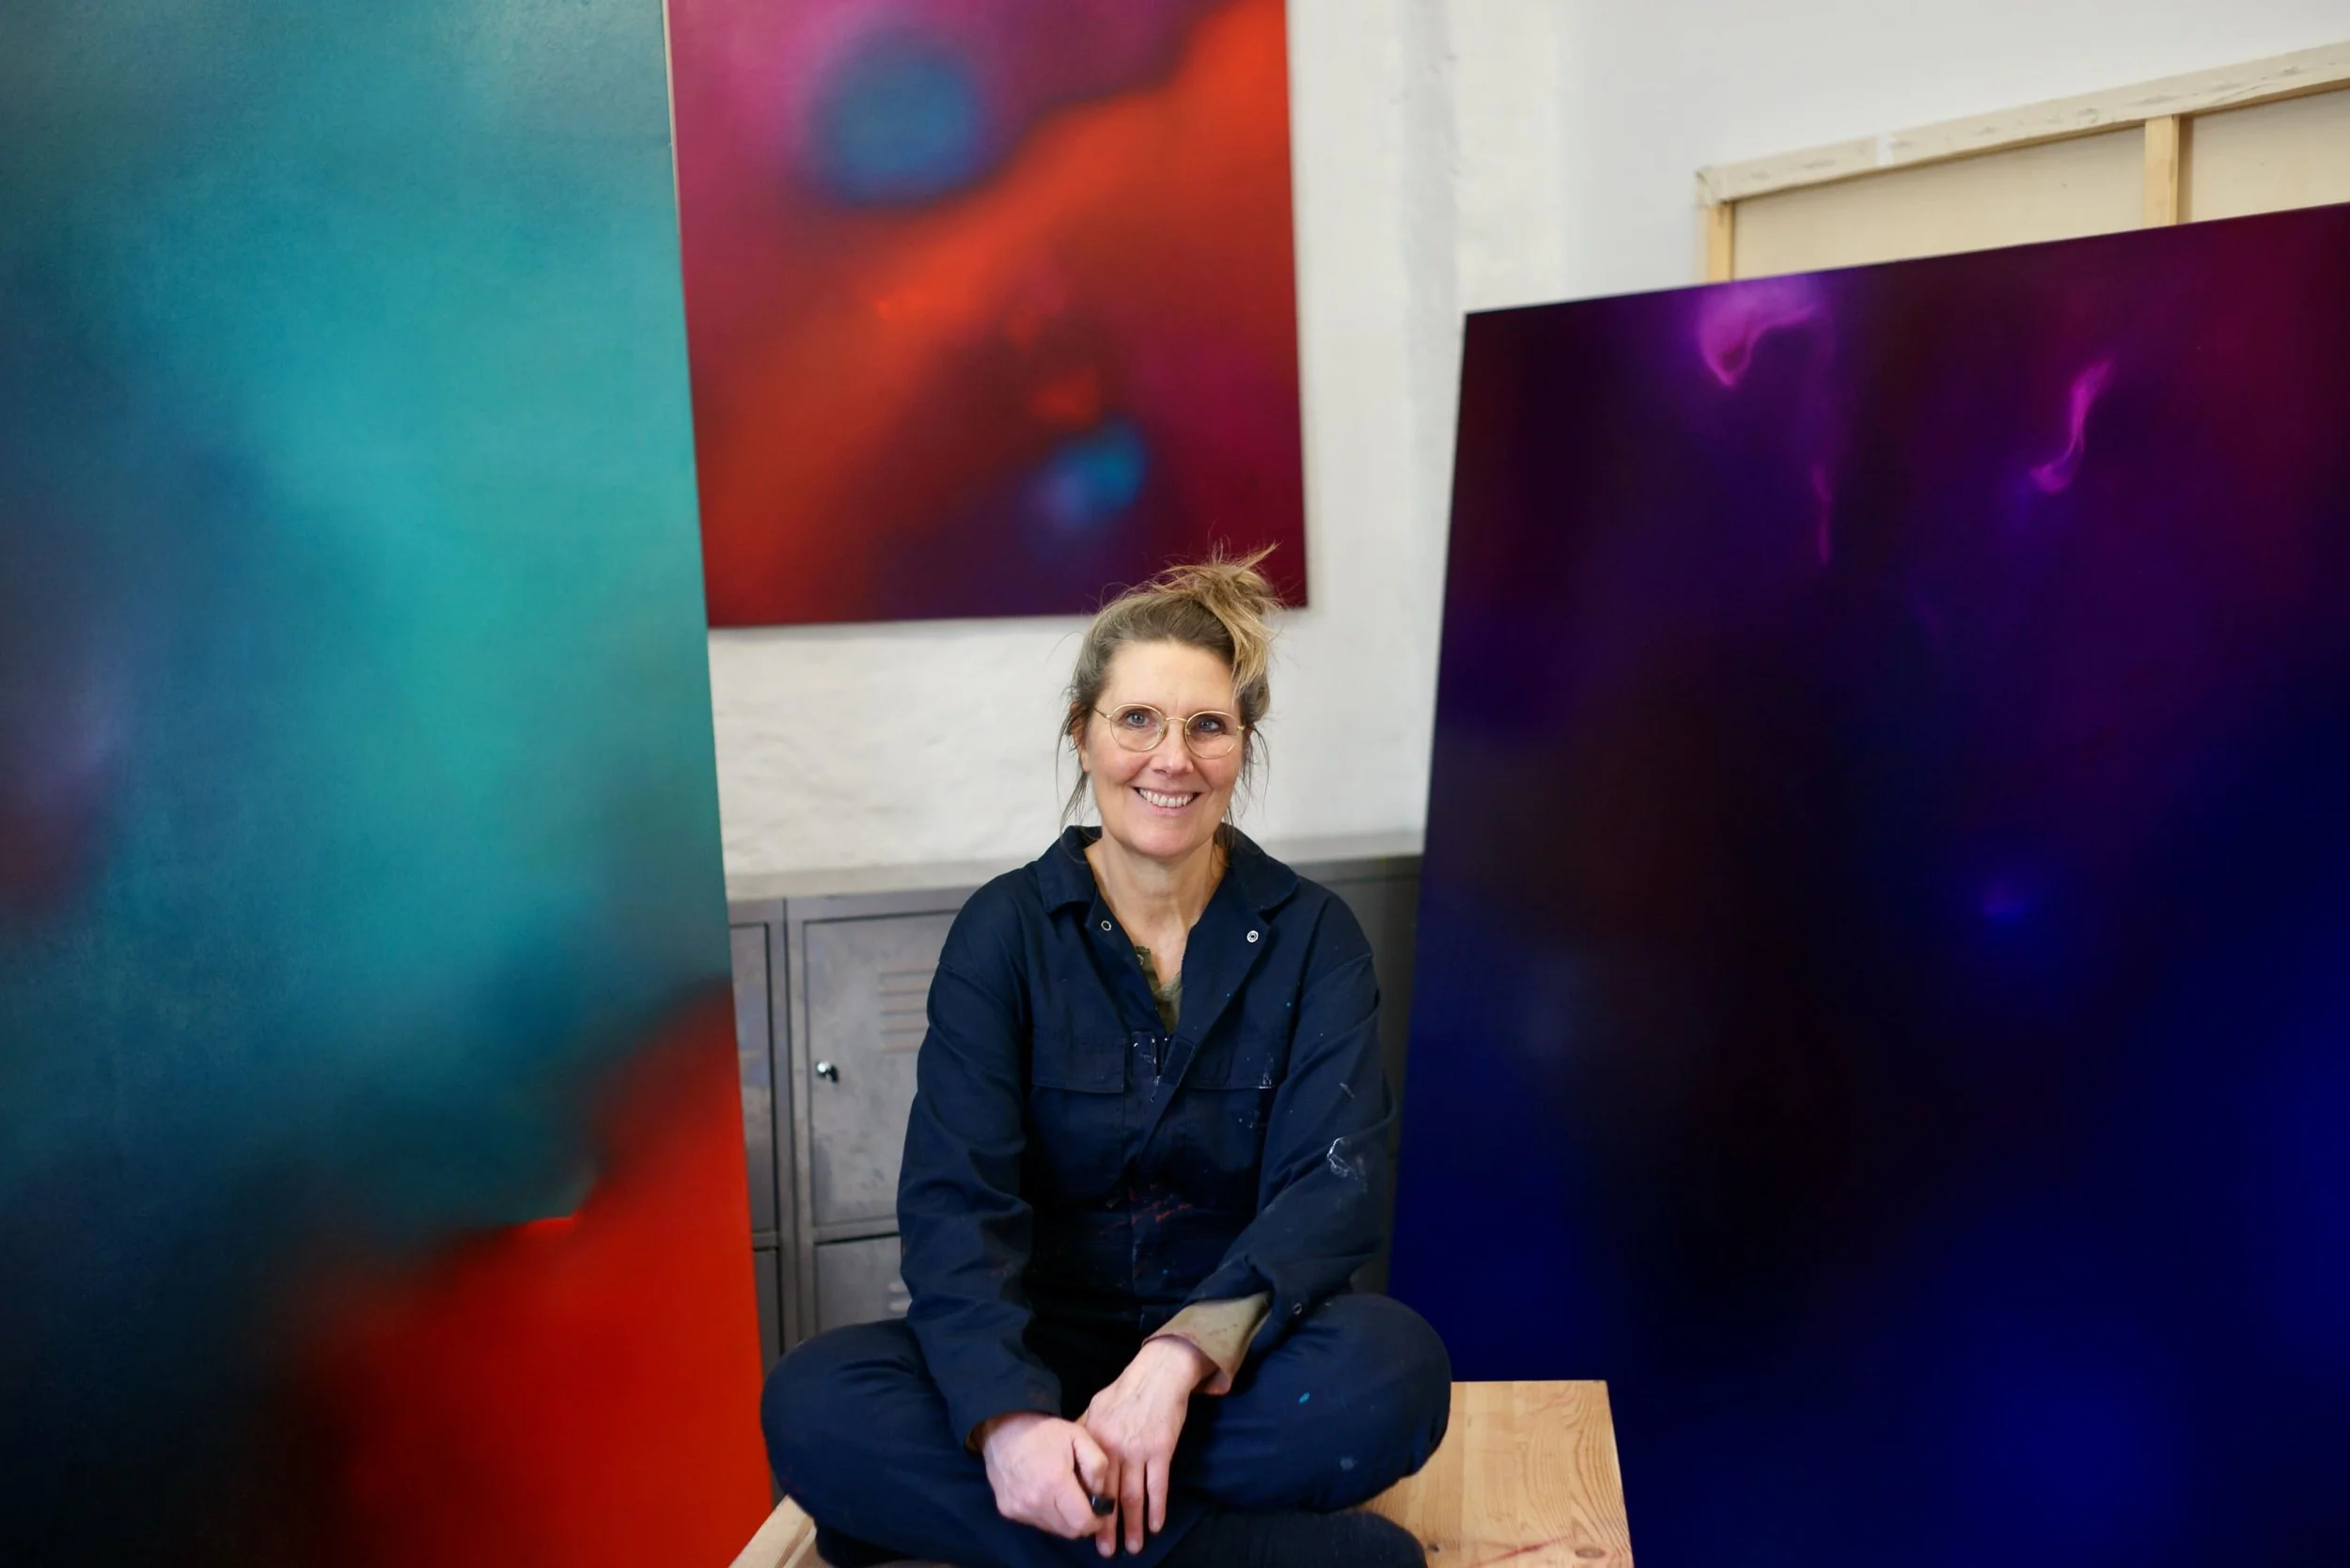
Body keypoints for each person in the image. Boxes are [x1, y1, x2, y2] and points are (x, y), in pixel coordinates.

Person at [762, 551, 1449, 1567]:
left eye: (1207, 726)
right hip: (1034, 1354)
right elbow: (954, 1203)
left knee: (1395, 1376)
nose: (1171, 758)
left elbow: (1332, 1191)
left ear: (1242, 746)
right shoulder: (1002, 933)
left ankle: (1028, 1521)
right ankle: (1214, 1545)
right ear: (1081, 732)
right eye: (1136, 720)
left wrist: (1172, 1363)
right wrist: (1009, 1426)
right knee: (814, 1402)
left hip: (1222, 1377)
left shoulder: (1315, 937)